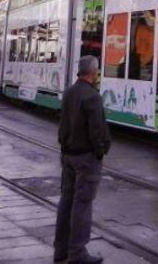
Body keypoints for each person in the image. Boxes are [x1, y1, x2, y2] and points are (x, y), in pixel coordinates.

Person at [53, 56, 110, 264]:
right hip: (86, 158)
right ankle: (77, 253)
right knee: (82, 204)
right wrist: (100, 150)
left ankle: (60, 251)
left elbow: (63, 123)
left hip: (68, 155)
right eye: (97, 72)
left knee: (66, 201)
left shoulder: (69, 91)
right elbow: (97, 130)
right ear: (93, 73)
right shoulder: (92, 97)